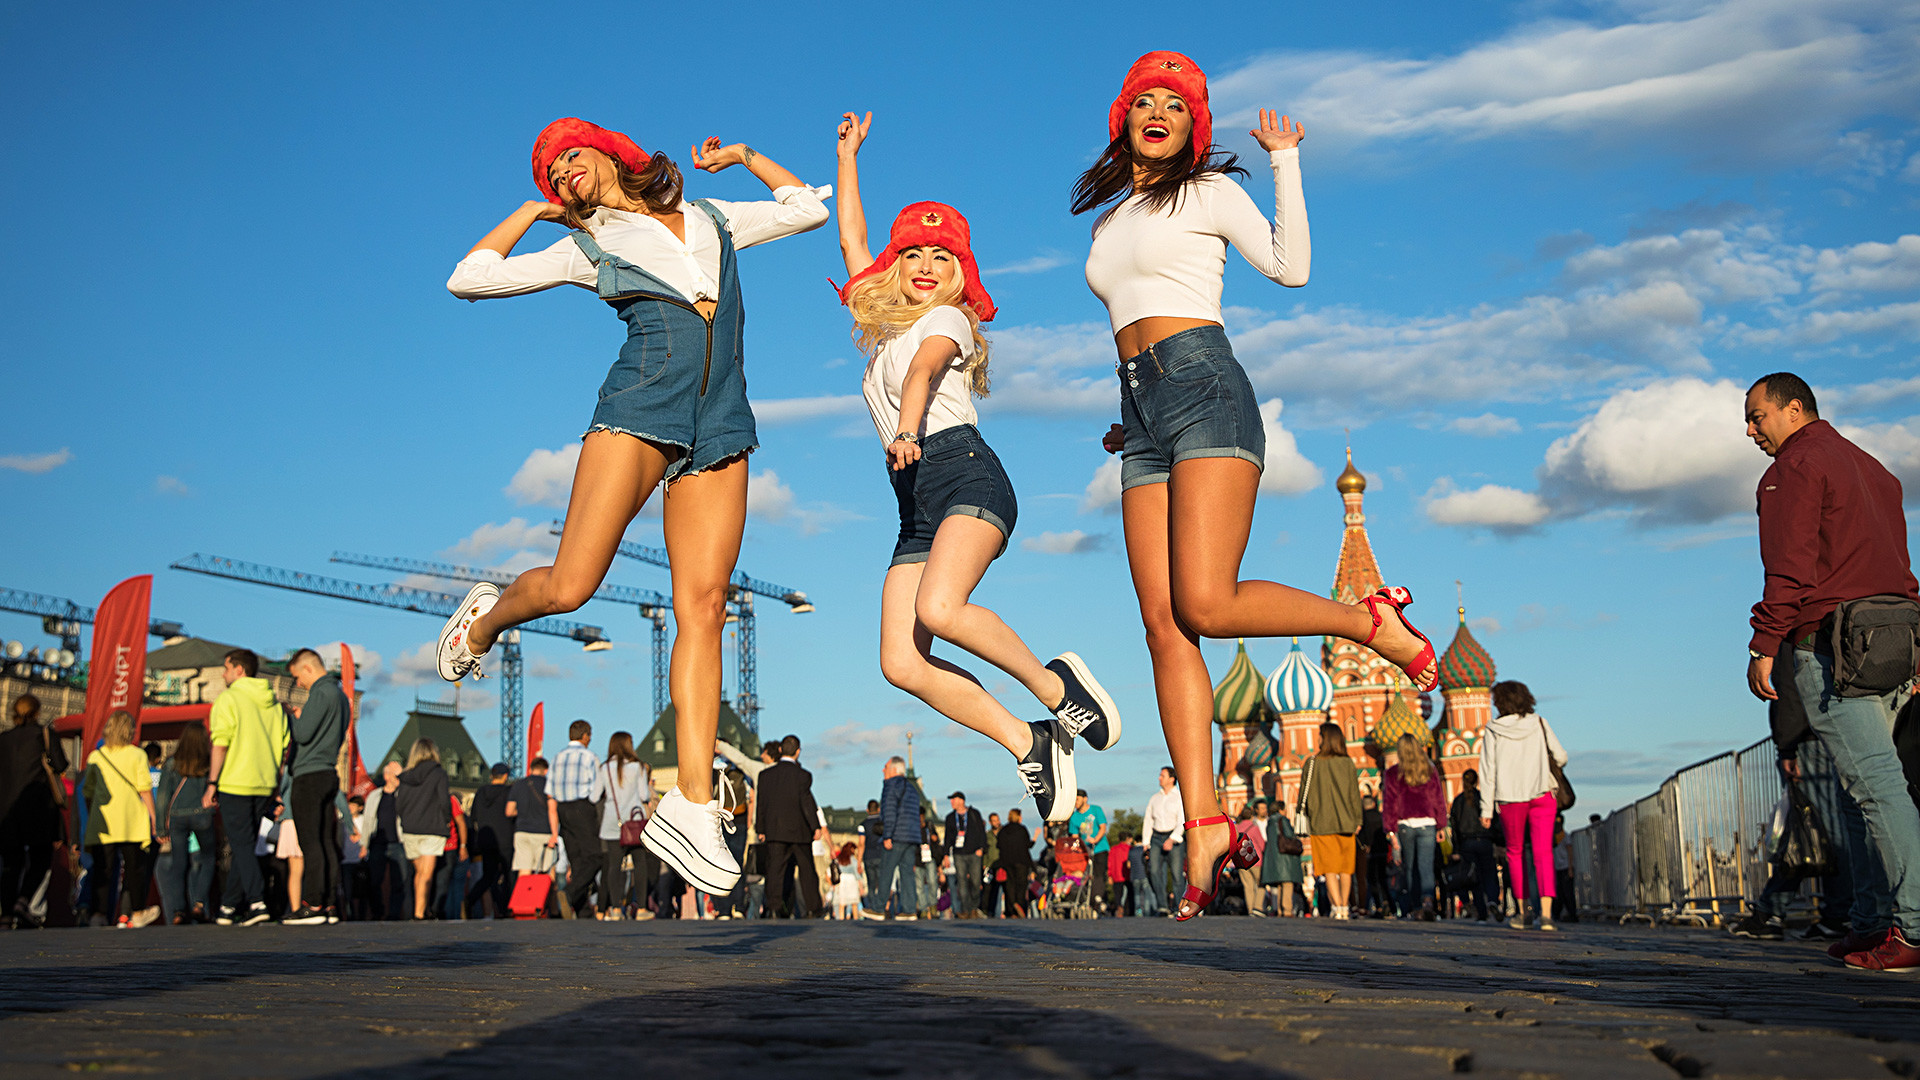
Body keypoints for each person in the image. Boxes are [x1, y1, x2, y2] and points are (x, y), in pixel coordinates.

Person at [1079, 51, 1436, 921]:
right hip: (1144, 414)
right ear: (1124, 117)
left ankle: (1370, 622)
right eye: (1145, 100)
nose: (1158, 111)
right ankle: (1205, 820)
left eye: (1176, 103)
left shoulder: (1206, 193)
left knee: (1206, 602)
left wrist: (1284, 161)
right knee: (1163, 623)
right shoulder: (1111, 219)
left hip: (1206, 389)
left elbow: (1291, 266)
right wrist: (1134, 411)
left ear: (1193, 125)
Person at [441, 120, 829, 900]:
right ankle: (483, 620)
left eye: (570, 157)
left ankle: (689, 800)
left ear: (611, 152)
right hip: (637, 409)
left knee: (707, 604)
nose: (564, 174)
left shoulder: (715, 217)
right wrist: (531, 212)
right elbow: (469, 278)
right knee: (571, 587)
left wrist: (744, 157)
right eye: (553, 172)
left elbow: (804, 209)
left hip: (720, 420)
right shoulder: (584, 247)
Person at [834, 112, 1120, 826]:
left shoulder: (949, 324)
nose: (926, 265)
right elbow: (852, 242)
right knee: (901, 662)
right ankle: (1030, 740)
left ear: (961, 274)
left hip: (963, 473)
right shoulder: (886, 335)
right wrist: (846, 158)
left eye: (942, 255)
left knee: (940, 608)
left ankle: (1058, 690)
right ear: (895, 270)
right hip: (915, 502)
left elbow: (927, 372)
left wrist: (905, 426)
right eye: (914, 255)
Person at [1743, 372, 1920, 972]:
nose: (1750, 431)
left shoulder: (1794, 468)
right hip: (1895, 638)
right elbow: (1900, 567)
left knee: (1875, 787)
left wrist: (1765, 642)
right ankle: (1872, 921)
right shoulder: (1874, 469)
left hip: (1832, 642)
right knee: (1858, 794)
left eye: (1757, 417)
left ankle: (1915, 928)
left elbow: (1789, 565)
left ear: (1794, 410)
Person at [205, 649, 289, 926]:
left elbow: (220, 743)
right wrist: (276, 786)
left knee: (241, 844)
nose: (223, 673)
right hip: (264, 782)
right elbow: (281, 750)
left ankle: (257, 902)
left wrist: (211, 784)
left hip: (235, 781)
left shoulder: (228, 699)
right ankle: (229, 906)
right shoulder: (274, 705)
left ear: (239, 670)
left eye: (226, 668)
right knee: (246, 845)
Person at [1479, 680, 1568, 931]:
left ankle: (1523, 911)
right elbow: (1561, 756)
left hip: (1510, 798)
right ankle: (1547, 915)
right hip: (1541, 794)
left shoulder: (1494, 730)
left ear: (1499, 703)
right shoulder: (1539, 722)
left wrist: (1486, 810)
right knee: (1543, 853)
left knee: (1515, 853)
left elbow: (1488, 772)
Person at [284, 648, 347, 926]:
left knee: (310, 842)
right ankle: (330, 904)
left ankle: (312, 904)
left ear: (308, 669)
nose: (299, 683)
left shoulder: (320, 693)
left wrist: (292, 716)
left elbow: (303, 733)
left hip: (309, 775)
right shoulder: (341, 696)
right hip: (328, 772)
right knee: (326, 841)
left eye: (298, 677)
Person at [80, 710, 159, 928]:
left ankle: (99, 914)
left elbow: (88, 791)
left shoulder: (96, 756)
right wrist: (154, 818)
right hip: (131, 819)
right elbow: (144, 790)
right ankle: (137, 911)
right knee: (135, 868)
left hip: (103, 821)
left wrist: (94, 813)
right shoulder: (137, 755)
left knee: (103, 869)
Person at [1, 693, 70, 928]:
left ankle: (6, 914)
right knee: (41, 858)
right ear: (37, 711)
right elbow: (61, 765)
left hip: (8, 809)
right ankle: (23, 900)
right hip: (39, 807)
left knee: (11, 863)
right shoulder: (44, 734)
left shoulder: (4, 738)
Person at [757, 735, 825, 919]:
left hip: (774, 831)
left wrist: (760, 829)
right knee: (807, 871)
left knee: (774, 871)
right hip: (799, 832)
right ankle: (813, 908)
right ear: (798, 752)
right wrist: (815, 826)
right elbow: (806, 803)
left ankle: (773, 908)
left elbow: (761, 804)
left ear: (779, 750)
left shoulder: (765, 776)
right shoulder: (803, 776)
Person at [1381, 733, 1448, 921]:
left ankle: (1417, 907)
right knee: (1426, 867)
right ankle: (1428, 901)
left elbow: (1390, 804)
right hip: (1428, 823)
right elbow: (1438, 799)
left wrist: (1391, 832)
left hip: (1405, 825)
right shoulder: (1429, 770)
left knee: (1410, 868)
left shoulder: (1393, 773)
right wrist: (1441, 825)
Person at [154, 723, 215, 925]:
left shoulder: (172, 763)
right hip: (202, 814)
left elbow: (163, 796)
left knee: (179, 864)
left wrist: (161, 827)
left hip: (178, 817)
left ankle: (179, 910)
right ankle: (198, 903)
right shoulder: (208, 762)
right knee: (208, 857)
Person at [1301, 722, 1362, 920]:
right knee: (1345, 869)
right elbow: (1355, 794)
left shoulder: (1312, 763)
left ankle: (1337, 907)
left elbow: (1305, 793)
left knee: (1329, 868)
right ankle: (1344, 905)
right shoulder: (1347, 763)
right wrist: (1357, 819)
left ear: (1325, 738)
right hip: (1347, 822)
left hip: (1321, 823)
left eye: (1320, 735)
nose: (1317, 739)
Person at [548, 720, 605, 916]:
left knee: (577, 859)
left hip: (563, 808)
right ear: (585, 736)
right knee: (596, 855)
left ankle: (582, 911)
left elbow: (550, 791)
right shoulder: (589, 757)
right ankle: (570, 894)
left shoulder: (557, 757)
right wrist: (591, 802)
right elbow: (597, 788)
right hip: (582, 806)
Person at [597, 732, 651, 919]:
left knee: (614, 866)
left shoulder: (604, 768)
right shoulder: (638, 767)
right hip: (634, 822)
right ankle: (642, 908)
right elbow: (644, 795)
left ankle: (616, 908)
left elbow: (594, 795)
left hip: (613, 821)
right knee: (640, 864)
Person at [395, 738, 450, 920]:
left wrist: (406, 820)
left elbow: (399, 805)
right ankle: (420, 913)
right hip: (432, 828)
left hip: (410, 829)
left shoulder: (405, 776)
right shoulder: (439, 774)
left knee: (419, 873)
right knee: (427, 874)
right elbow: (444, 800)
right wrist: (446, 820)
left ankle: (420, 910)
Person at [864, 756, 921, 920]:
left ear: (894, 770)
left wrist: (887, 835)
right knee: (907, 874)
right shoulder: (911, 788)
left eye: (886, 767)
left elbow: (889, 812)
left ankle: (878, 908)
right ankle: (910, 910)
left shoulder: (891, 785)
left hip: (896, 836)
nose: (883, 770)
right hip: (911, 837)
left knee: (886, 872)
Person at [506, 757, 561, 902]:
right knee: (546, 872)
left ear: (530, 769)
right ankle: (545, 905)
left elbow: (509, 811)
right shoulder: (549, 785)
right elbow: (552, 810)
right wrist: (555, 834)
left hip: (522, 832)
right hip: (543, 832)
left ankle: (523, 904)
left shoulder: (518, 785)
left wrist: (522, 811)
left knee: (524, 871)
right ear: (546, 770)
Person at [1449, 769, 1501, 923]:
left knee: (1474, 878)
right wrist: (1498, 842)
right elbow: (1494, 821)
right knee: (1490, 874)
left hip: (1467, 843)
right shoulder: (1483, 798)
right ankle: (1492, 900)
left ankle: (1482, 913)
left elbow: (1454, 827)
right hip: (1485, 841)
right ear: (1477, 781)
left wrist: (1456, 849)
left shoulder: (1458, 802)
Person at [360, 761, 409, 920]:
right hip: (378, 844)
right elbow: (368, 820)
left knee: (399, 881)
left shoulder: (402, 795)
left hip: (398, 843)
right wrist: (364, 843)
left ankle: (394, 914)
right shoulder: (375, 796)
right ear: (387, 776)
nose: (400, 779)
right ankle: (377, 912)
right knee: (374, 881)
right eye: (397, 775)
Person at [467, 764, 514, 918]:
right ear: (505, 776)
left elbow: (473, 817)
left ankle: (470, 900)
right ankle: (507, 909)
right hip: (505, 838)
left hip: (486, 840)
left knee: (488, 876)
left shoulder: (481, 792)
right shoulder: (508, 792)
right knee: (508, 875)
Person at [1143, 766, 1184, 916]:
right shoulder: (1155, 798)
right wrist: (1146, 841)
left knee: (1177, 875)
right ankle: (1162, 906)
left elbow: (1182, 820)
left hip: (1174, 838)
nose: (1159, 778)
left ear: (1172, 779)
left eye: (1162, 776)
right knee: (1153, 871)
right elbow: (1148, 820)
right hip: (1156, 838)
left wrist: (1172, 839)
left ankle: (1179, 907)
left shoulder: (1179, 797)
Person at [1065, 790, 1111, 909]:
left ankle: (1098, 898)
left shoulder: (1096, 810)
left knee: (1098, 874)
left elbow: (1103, 827)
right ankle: (1087, 899)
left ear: (1085, 799)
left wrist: (1095, 839)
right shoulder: (1074, 817)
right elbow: (1074, 836)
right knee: (1085, 875)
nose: (1075, 802)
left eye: (1077, 799)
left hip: (1100, 847)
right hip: (1085, 851)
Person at [944, 792, 987, 918]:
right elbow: (948, 838)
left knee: (975, 881)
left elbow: (981, 832)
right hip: (959, 854)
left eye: (954, 800)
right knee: (961, 882)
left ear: (961, 801)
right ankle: (966, 910)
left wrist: (982, 848)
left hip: (974, 853)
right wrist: (946, 855)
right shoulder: (950, 818)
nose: (951, 802)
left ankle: (974, 906)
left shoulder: (974, 814)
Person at [1265, 798, 1304, 916]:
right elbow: (1288, 835)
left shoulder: (1270, 822)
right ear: (1280, 809)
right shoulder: (1282, 820)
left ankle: (1280, 910)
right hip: (1286, 857)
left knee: (1280, 885)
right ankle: (1287, 909)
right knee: (1288, 883)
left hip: (1275, 858)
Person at [996, 808, 1034, 918]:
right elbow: (1027, 845)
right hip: (1021, 861)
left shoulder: (1003, 830)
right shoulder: (1022, 830)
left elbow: (999, 846)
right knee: (1021, 886)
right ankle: (1019, 905)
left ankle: (1011, 908)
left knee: (1009, 886)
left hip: (1007, 862)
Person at [1357, 794, 1388, 917]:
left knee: (1372, 880)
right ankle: (1388, 904)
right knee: (1383, 879)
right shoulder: (1380, 816)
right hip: (1382, 851)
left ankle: (1379, 907)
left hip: (1370, 852)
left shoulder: (1364, 818)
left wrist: (1367, 845)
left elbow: (1364, 834)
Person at [1233, 805, 1267, 915]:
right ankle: (1257, 907)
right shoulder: (1254, 828)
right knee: (1261, 884)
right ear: (1252, 816)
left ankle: (1250, 909)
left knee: (1248, 886)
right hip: (1256, 861)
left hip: (1241, 861)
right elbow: (1262, 845)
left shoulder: (1236, 828)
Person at [831, 841, 864, 920]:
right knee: (854, 902)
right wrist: (861, 887)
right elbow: (857, 874)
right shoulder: (853, 860)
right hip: (851, 880)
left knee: (842, 902)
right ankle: (856, 918)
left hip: (842, 881)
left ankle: (841, 919)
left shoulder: (839, 859)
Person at [982, 811, 1002, 917]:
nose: (996, 822)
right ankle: (988, 910)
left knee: (998, 889)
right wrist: (984, 864)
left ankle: (997, 913)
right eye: (994, 820)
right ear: (990, 822)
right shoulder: (988, 835)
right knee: (988, 889)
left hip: (1000, 864)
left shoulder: (1003, 832)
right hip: (990, 865)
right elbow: (985, 850)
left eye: (997, 820)